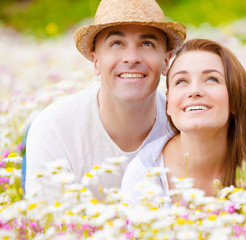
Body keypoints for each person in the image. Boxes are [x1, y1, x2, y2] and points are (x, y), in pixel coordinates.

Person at [25, 0, 186, 199]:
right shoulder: (54, 128)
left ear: (166, 61)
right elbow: (48, 224)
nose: (132, 58)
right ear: (96, 61)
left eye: (147, 44)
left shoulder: (184, 124)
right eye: (116, 43)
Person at [122, 39, 246, 207]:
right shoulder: (144, 175)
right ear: (168, 103)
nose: (194, 91)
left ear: (235, 98)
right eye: (181, 81)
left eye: (211, 79)